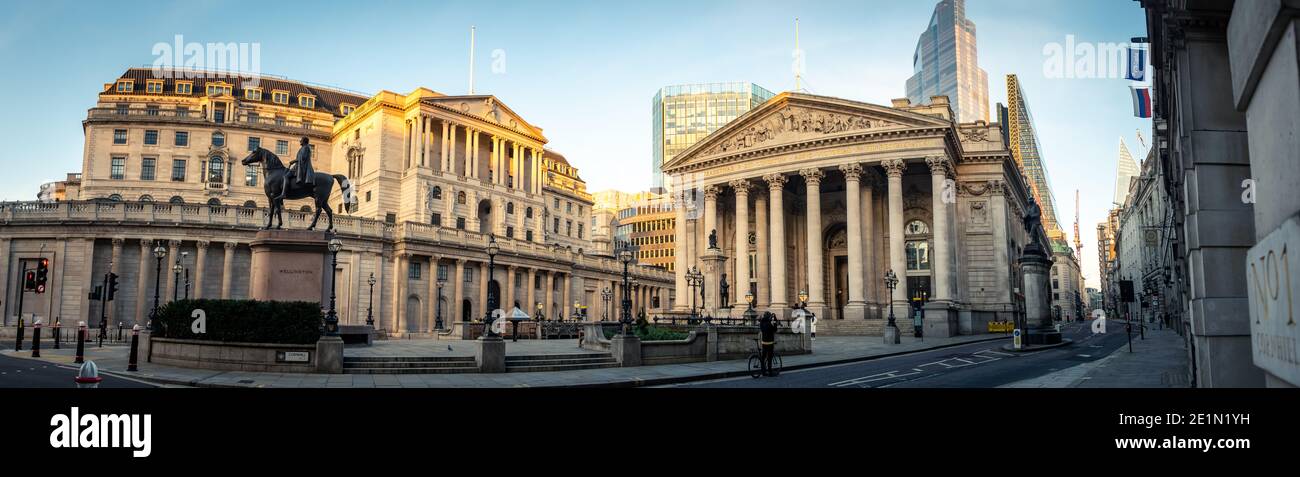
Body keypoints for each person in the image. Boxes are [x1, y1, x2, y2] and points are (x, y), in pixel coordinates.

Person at [275, 137, 315, 201]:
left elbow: (303, 158)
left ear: (304, 141)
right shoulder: (303, 148)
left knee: (286, 176)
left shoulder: (305, 148)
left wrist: (294, 161)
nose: (300, 141)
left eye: (301, 140)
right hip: (298, 166)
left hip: (301, 167)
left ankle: (284, 193)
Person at [759, 311, 778, 377]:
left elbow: (761, 321)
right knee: (769, 358)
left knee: (763, 357)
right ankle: (770, 372)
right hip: (769, 343)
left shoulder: (762, 323)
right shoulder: (770, 324)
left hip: (763, 342)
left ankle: (763, 371)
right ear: (769, 317)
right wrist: (775, 319)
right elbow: (775, 329)